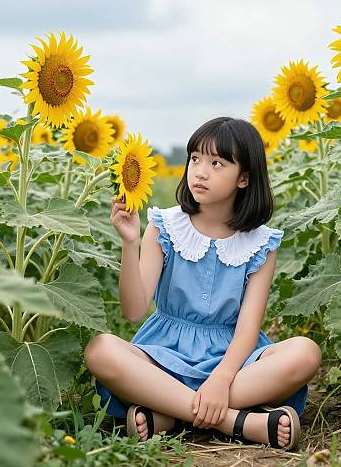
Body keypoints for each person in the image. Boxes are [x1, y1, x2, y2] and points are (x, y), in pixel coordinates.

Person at [84, 117, 321, 450]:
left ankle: (170, 413)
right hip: (163, 357)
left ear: (244, 179)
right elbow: (134, 310)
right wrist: (129, 242)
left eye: (217, 163)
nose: (200, 171)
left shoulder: (260, 244)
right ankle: (238, 422)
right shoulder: (164, 226)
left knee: (305, 353)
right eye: (194, 158)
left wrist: (222, 379)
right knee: (101, 350)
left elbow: (247, 330)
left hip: (234, 363)